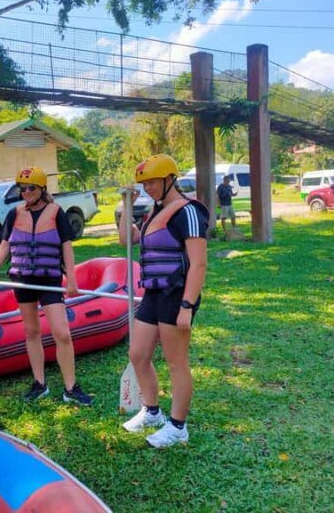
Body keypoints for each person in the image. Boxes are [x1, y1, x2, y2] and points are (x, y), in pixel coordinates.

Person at [0, 166, 92, 405]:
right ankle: (40, 383)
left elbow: (66, 247)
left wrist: (71, 278)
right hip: (23, 280)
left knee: (62, 332)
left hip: (49, 280)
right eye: (22, 188)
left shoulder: (56, 212)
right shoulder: (14, 214)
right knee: (31, 331)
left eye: (31, 188)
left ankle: (71, 387)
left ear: (42, 189)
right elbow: (5, 246)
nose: (26, 192)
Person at [118, 154, 208, 448]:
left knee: (176, 362)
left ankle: (178, 427)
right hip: (154, 293)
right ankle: (152, 412)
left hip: (176, 294)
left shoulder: (188, 212)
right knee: (138, 354)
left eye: (153, 182)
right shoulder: (153, 212)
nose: (149, 188)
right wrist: (126, 208)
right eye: (145, 184)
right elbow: (126, 240)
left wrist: (187, 305)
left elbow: (199, 264)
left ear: (171, 179)